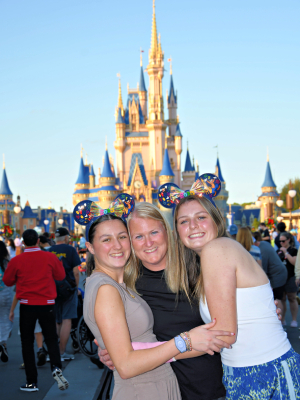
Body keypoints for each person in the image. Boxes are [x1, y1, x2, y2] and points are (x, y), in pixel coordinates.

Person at [84, 208, 233, 400]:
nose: (148, 243)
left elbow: (226, 329)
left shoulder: (197, 269)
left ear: (168, 232)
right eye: (138, 236)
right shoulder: (128, 283)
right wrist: (113, 348)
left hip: (205, 386)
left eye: (154, 232)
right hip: (156, 387)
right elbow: (124, 353)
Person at [170, 179, 300, 399]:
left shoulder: (217, 249)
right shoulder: (208, 262)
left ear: (216, 221)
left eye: (201, 217)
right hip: (244, 371)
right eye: (184, 221)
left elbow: (225, 335)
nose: (192, 225)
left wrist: (153, 353)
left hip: (266, 370)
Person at [3, 229, 69, 392]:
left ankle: (31, 382)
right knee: (51, 338)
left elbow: (8, 281)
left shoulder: (17, 260)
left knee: (27, 343)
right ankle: (56, 368)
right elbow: (61, 276)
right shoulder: (50, 257)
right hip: (47, 303)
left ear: (23, 242)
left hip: (27, 304)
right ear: (38, 240)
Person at [48, 227, 80, 360]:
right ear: (66, 238)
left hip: (53, 288)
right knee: (67, 319)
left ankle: (55, 353)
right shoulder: (71, 250)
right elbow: (76, 272)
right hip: (68, 288)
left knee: (56, 320)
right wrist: (76, 287)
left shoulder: (49, 251)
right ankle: (61, 352)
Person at [252, 231, 287, 313]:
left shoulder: (261, 250)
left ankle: (280, 323)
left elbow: (262, 270)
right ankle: (283, 321)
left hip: (277, 275)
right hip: (280, 272)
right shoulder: (264, 243)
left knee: (277, 299)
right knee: (280, 299)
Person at [276, 232, 298, 327]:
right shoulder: (278, 251)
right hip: (281, 277)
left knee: (292, 298)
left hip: (291, 276)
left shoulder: (294, 250)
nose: (281, 243)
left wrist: (286, 252)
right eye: (280, 241)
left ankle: (294, 320)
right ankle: (283, 319)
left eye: (283, 241)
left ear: (288, 240)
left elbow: (294, 262)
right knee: (282, 298)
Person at [0, 241, 13, 362]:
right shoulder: (6, 263)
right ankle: (3, 342)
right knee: (6, 319)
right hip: (5, 295)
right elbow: (11, 279)